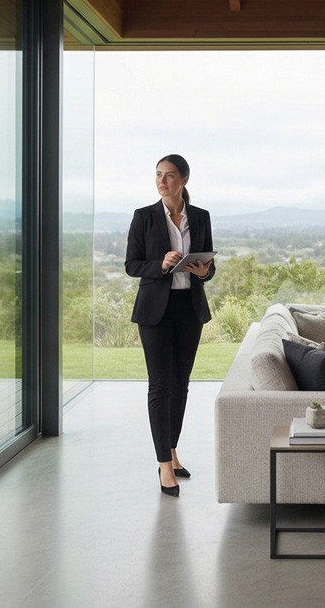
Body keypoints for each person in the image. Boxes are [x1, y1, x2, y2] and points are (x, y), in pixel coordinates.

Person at [126, 153, 214, 497]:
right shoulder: (144, 217)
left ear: (184, 181)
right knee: (160, 386)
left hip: (189, 310)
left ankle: (173, 449)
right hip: (155, 313)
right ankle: (164, 463)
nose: (163, 181)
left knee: (181, 385)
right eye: (159, 175)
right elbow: (132, 264)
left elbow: (208, 262)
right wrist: (160, 264)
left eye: (170, 175)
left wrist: (205, 271)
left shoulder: (201, 217)